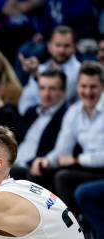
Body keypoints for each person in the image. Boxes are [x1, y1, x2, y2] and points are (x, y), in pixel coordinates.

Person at [30, 61, 104, 212]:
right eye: (84, 86)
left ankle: (75, 227)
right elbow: (62, 149)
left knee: (63, 177)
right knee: (38, 173)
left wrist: (77, 160)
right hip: (88, 170)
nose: (88, 92)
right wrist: (46, 161)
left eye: (93, 87)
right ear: (77, 86)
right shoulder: (74, 111)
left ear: (102, 86)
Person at [13, 69, 68, 178]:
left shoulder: (66, 117)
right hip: (13, 162)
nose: (46, 94)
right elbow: (17, 139)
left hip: (32, 167)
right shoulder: (31, 112)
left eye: (52, 89)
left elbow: (56, 151)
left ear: (63, 91)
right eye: (42, 88)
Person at [18, 25, 81, 115]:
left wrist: (37, 75)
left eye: (66, 46)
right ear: (49, 46)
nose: (61, 50)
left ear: (75, 47)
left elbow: (59, 100)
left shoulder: (79, 71)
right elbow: (25, 103)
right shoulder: (40, 69)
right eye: (58, 45)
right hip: (36, 119)